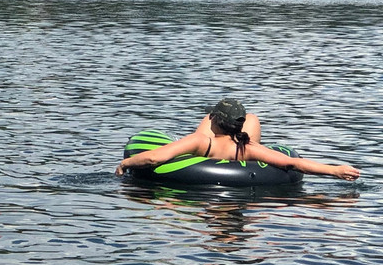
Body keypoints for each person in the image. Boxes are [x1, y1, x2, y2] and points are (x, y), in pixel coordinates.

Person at [116, 97, 360, 180]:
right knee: (253, 118)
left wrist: (125, 164)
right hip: (237, 154)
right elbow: (292, 163)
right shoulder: (247, 148)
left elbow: (154, 158)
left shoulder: (201, 141)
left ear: (214, 122)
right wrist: (335, 170)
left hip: (203, 159)